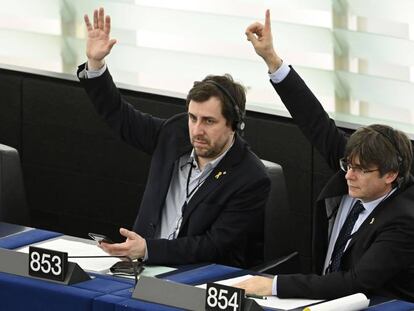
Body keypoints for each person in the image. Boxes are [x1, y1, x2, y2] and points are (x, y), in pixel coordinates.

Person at [236, 10, 414, 301]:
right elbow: (313, 119)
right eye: (348, 165)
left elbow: (357, 282)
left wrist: (274, 286)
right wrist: (272, 60)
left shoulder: (404, 220)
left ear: (390, 175)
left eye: (360, 170)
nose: (347, 175)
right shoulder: (355, 168)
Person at [77, 8, 270, 268]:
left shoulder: (250, 178)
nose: (197, 130)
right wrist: (96, 65)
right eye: (193, 118)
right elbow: (119, 116)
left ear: (234, 124)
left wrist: (148, 249)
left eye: (209, 121)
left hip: (198, 281)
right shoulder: (174, 135)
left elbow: (214, 246)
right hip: (139, 268)